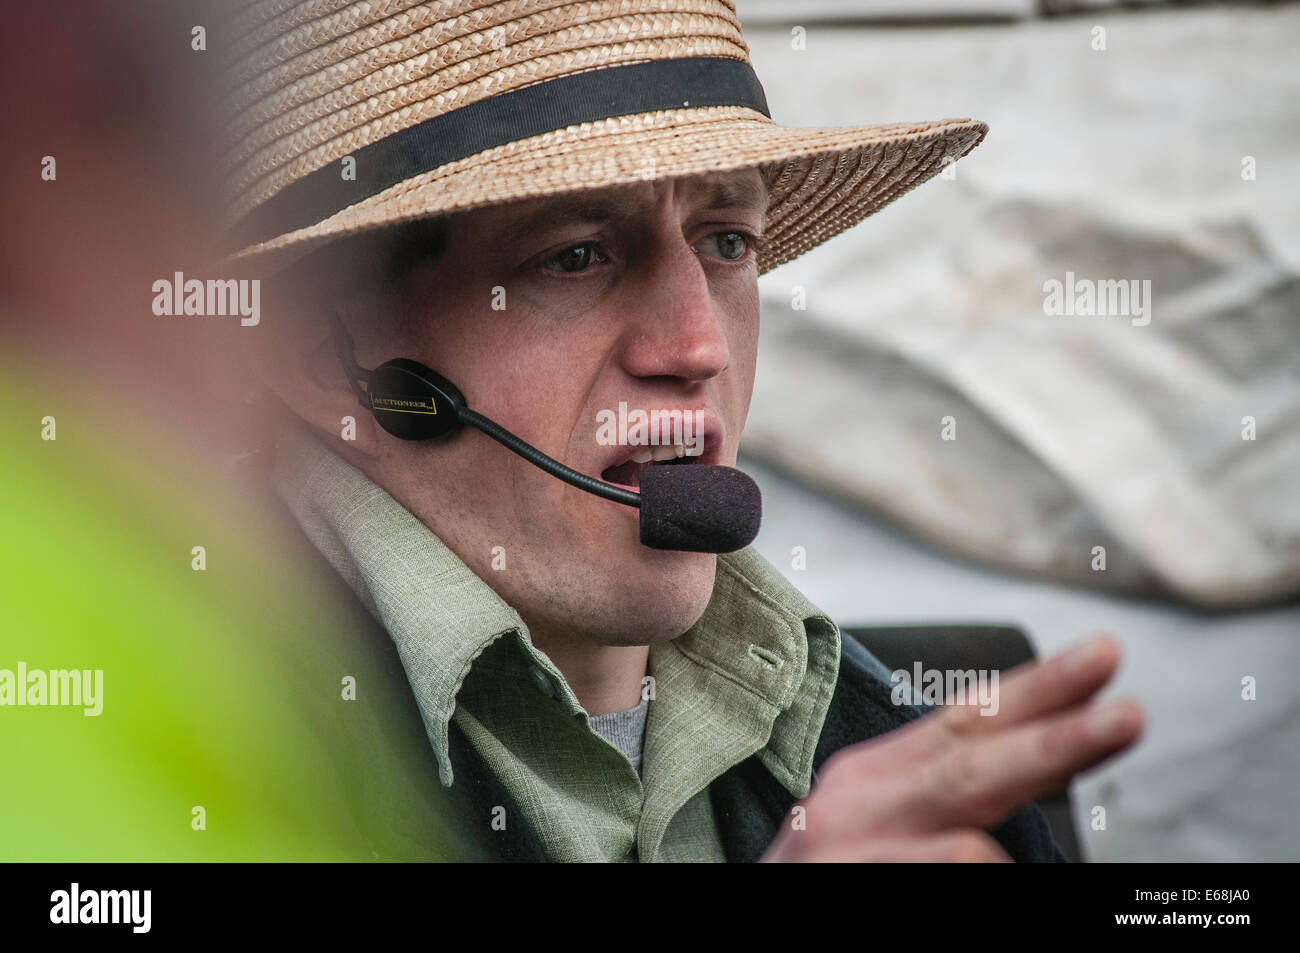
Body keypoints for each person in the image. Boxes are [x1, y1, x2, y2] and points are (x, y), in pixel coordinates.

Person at [224, 0, 1144, 862]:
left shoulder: (887, 743)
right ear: (323, 360)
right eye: (575, 257)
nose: (698, 345)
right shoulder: (177, 734)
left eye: (727, 242)